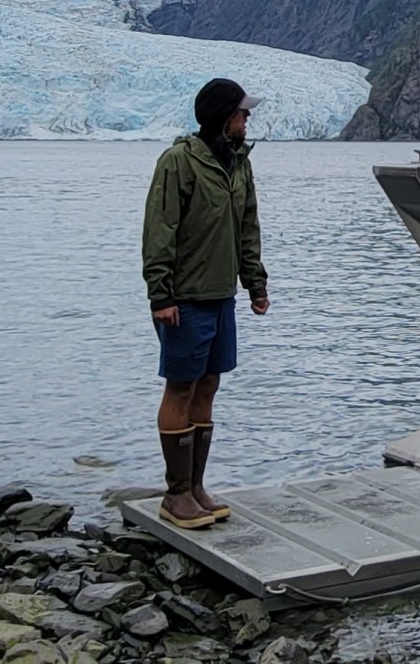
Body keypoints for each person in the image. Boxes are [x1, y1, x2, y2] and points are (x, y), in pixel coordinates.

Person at [142, 78, 270, 529]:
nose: (247, 118)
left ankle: (195, 487)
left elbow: (247, 227)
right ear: (222, 116)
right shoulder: (179, 162)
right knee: (181, 386)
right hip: (184, 299)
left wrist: (255, 284)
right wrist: (161, 295)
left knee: (209, 384)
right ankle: (175, 495)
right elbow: (160, 230)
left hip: (222, 297)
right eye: (241, 112)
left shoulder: (239, 164)